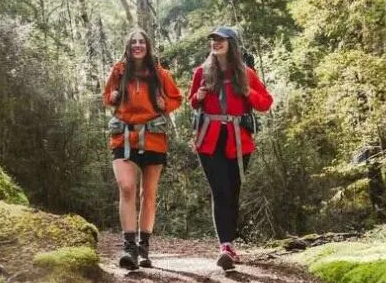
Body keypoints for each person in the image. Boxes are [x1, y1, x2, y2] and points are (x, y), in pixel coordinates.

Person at [189, 26, 273, 270]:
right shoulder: (202, 72)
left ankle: (231, 245)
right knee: (220, 190)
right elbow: (192, 101)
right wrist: (200, 96)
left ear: (232, 44)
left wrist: (248, 92)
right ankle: (225, 245)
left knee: (233, 190)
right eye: (213, 40)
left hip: (238, 139)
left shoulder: (246, 73)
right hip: (209, 138)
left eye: (220, 40)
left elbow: (266, 102)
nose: (215, 43)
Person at [104, 28, 183, 270]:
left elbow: (177, 99)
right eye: (133, 42)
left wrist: (164, 103)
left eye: (142, 42)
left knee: (148, 193)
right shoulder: (118, 71)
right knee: (126, 187)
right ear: (127, 46)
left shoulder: (160, 74)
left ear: (147, 46)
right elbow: (106, 97)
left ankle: (144, 246)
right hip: (124, 136)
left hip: (153, 138)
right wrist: (113, 96)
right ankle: (129, 248)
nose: (138, 45)